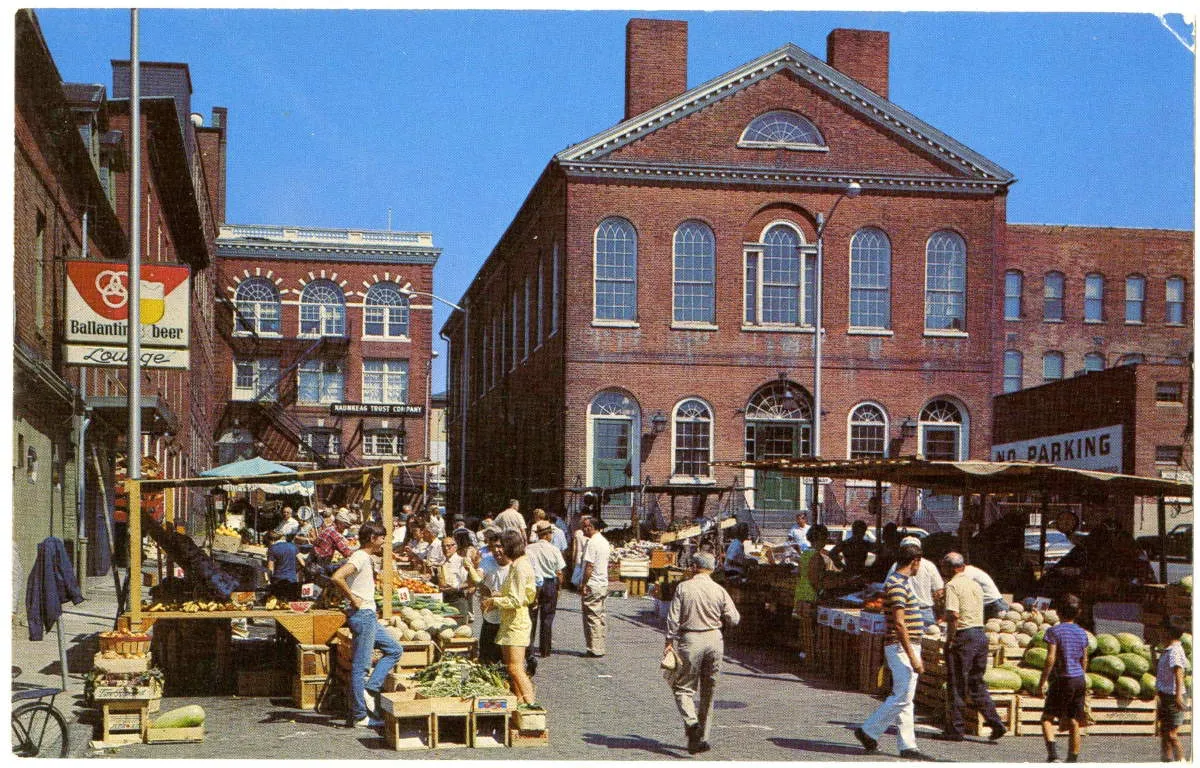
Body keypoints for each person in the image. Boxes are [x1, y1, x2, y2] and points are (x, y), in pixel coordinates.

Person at [855, 542, 931, 760]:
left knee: (906, 696)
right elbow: (899, 624)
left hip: (903, 645)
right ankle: (868, 730)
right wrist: (913, 657)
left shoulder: (901, 582)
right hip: (901, 646)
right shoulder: (898, 585)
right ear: (914, 561)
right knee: (902, 696)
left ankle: (908, 745)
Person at [664, 551, 740, 755]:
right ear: (712, 568)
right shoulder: (719, 590)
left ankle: (692, 723)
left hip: (690, 640)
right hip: (715, 639)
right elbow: (734, 618)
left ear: (694, 567)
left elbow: (673, 619)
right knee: (709, 690)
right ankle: (702, 738)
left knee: (682, 687)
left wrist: (669, 641)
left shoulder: (684, 587)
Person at [329, 521, 404, 728]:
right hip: (363, 616)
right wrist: (354, 599)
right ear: (372, 538)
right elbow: (337, 577)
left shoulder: (364, 557)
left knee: (395, 649)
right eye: (382, 539)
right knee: (360, 667)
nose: (383, 543)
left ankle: (370, 688)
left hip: (368, 615)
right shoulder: (360, 556)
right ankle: (360, 715)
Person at [940, 552, 1007, 742]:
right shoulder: (974, 584)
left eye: (943, 567)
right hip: (980, 635)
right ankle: (996, 723)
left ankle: (956, 729)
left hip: (964, 637)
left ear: (950, 568)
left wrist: (950, 639)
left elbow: (953, 615)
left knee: (957, 683)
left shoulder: (952, 585)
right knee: (976, 683)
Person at [482, 530, 538, 704]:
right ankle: (521, 703)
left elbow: (516, 599)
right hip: (509, 621)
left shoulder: (521, 567)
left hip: (516, 623)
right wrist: (499, 595)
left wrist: (494, 602)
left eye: (502, 546)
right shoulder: (517, 564)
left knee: (516, 668)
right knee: (511, 667)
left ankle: (531, 706)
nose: (500, 551)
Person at [1037, 593, 1089, 763]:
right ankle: (1072, 759)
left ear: (1058, 613)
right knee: (1074, 721)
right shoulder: (1082, 633)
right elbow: (1084, 659)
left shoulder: (1054, 631)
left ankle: (1053, 756)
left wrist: (1042, 682)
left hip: (1061, 679)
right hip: (1079, 679)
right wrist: (1082, 677)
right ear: (1079, 613)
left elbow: (1050, 658)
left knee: (1047, 718)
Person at [526, 520, 567, 658]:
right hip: (549, 584)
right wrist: (559, 587)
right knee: (547, 617)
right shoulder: (554, 549)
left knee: (531, 617)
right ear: (548, 534)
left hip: (533, 584)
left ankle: (528, 648)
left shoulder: (529, 548)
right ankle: (545, 649)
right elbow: (559, 572)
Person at [886, 536, 944, 628]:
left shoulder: (896, 565)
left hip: (904, 610)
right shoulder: (929, 565)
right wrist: (940, 613)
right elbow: (939, 592)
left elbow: (886, 587)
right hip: (925, 611)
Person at [1156, 619, 1190, 762]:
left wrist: (1178, 697)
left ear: (1168, 633)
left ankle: (1182, 761)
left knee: (1171, 734)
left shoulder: (1175, 651)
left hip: (1172, 697)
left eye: (1162, 631)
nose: (1159, 634)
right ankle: (1167, 761)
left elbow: (1179, 673)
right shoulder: (1169, 649)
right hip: (1165, 696)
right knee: (1164, 733)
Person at [578, 514, 611, 657]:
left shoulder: (592, 543)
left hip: (593, 583)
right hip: (602, 582)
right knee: (600, 616)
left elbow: (589, 566)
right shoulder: (604, 541)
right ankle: (599, 646)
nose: (583, 529)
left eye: (584, 526)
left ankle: (594, 649)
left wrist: (583, 584)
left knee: (591, 616)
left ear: (590, 527)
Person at [476, 528, 508, 664]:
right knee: (486, 658)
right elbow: (479, 576)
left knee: (507, 661)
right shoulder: (487, 561)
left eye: (500, 546)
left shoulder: (515, 564)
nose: (496, 550)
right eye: (493, 547)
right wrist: (476, 579)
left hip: (509, 619)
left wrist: (499, 595)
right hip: (490, 618)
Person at [437, 535, 480, 624]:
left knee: (460, 631)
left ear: (455, 547)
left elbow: (471, 583)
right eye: (443, 546)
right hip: (445, 600)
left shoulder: (462, 561)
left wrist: (456, 588)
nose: (446, 548)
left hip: (458, 600)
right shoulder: (443, 563)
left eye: (449, 546)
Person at [310, 509, 355, 577]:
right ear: (339, 523)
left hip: (313, 561)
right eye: (345, 526)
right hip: (320, 565)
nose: (345, 529)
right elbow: (347, 552)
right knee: (346, 562)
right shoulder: (335, 534)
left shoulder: (329, 528)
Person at [265, 530, 300, 601]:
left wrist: (268, 581)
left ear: (271, 540)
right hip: (292, 581)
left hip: (278, 582)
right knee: (291, 604)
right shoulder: (293, 546)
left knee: (278, 605)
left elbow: (270, 568)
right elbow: (302, 562)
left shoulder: (272, 548)